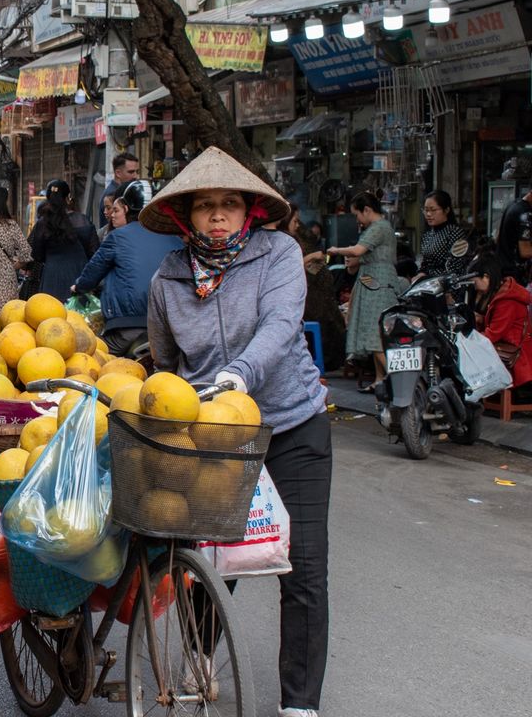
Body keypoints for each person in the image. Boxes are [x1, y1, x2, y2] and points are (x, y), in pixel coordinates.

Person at [140, 146, 331, 717]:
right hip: (214, 439)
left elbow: (279, 325)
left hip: (294, 426)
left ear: (249, 210)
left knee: (305, 569)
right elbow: (165, 360)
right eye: (204, 206)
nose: (217, 215)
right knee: (214, 566)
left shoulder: (280, 254)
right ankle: (199, 658)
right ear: (186, 216)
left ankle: (300, 705)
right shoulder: (168, 278)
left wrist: (237, 375)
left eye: (228, 204)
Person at [73, 182, 182, 356]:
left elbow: (91, 274)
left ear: (126, 209)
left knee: (96, 360)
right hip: (170, 329)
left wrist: (79, 287)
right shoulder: (176, 239)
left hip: (127, 328)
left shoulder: (117, 237)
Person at [328, 192, 407, 389]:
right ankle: (380, 379)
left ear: (367, 210)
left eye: (357, 214)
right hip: (372, 281)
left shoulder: (379, 227)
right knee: (377, 333)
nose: (357, 219)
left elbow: (357, 251)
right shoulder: (379, 227)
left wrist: (336, 250)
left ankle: (397, 381)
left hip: (378, 284)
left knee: (376, 333)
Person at [280, 204, 347, 373]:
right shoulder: (282, 241)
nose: (297, 225)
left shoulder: (295, 239)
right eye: (294, 221)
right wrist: (311, 257)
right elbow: (287, 268)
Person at [469, 251, 532, 397]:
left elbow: (493, 334)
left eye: (475, 281)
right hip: (509, 346)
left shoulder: (507, 301)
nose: (474, 286)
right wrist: (480, 319)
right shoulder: (502, 293)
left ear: (486, 277)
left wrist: (469, 341)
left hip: (515, 355)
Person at [29, 179, 99, 301]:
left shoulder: (43, 223)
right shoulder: (82, 221)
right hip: (79, 276)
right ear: (68, 198)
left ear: (48, 198)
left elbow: (37, 255)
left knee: (52, 316)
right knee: (77, 316)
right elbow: (94, 252)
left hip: (52, 277)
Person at [414, 190, 471, 281]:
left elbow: (455, 267)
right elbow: (425, 263)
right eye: (426, 210)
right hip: (428, 284)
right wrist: (421, 273)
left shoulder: (455, 232)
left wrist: (428, 277)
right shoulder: (427, 234)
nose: (428, 214)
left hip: (448, 286)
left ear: (446, 210)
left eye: (433, 210)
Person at [495, 188, 532, 284]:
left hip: (502, 269)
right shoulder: (525, 214)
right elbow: (525, 251)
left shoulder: (514, 204)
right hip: (514, 274)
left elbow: (497, 237)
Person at [100, 153, 141, 228]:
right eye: (131, 172)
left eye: (137, 172)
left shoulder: (126, 191)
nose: (136, 176)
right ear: (118, 173)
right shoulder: (112, 194)